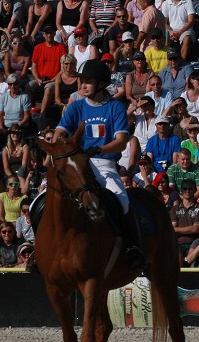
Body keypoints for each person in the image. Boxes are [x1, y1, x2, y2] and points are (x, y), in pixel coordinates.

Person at [53, 59, 143, 270]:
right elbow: (60, 132)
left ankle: (133, 247)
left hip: (103, 163)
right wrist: (57, 143)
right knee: (42, 197)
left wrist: (99, 149)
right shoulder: (75, 107)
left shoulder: (115, 108)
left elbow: (121, 142)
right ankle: (38, 250)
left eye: (88, 81)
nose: (82, 85)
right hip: (77, 164)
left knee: (123, 201)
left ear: (101, 84)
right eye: (81, 81)